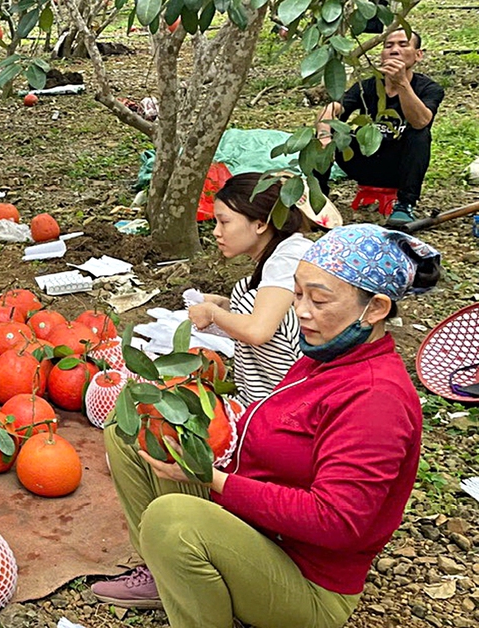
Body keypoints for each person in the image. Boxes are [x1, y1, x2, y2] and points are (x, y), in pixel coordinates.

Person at [92, 223, 440, 628]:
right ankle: (165, 573)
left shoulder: (376, 398)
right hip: (260, 528)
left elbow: (336, 522)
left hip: (306, 580)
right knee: (127, 429)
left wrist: (213, 480)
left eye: (320, 300)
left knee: (172, 521)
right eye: (297, 294)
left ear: (376, 309)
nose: (302, 311)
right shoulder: (324, 356)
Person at [187, 173, 335, 406]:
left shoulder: (289, 258)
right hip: (303, 381)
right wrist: (225, 306)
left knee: (247, 296)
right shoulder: (286, 252)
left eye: (224, 222)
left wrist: (214, 314)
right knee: (243, 292)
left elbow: (259, 330)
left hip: (304, 395)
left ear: (260, 224)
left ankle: (262, 404)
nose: (216, 232)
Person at [314, 29, 445, 226]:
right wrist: (324, 136)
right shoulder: (366, 86)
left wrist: (401, 83)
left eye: (403, 44)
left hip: (399, 167)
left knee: (420, 134)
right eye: (388, 46)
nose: (394, 50)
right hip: (363, 161)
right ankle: (319, 196)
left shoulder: (429, 89)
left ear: (418, 54)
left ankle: (405, 205)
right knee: (329, 130)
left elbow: (421, 121)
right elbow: (333, 109)